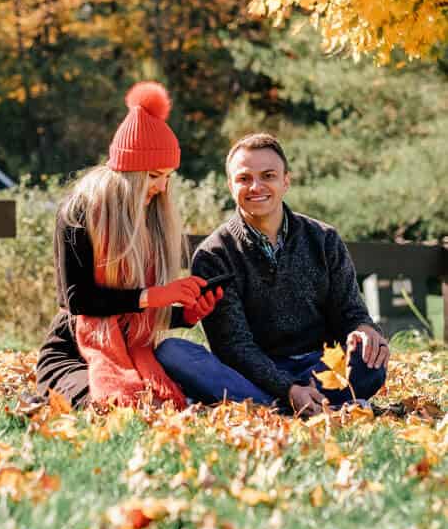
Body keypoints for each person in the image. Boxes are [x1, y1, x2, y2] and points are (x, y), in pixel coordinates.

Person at [155, 133, 389, 416]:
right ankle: (301, 404)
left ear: (285, 181)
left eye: (268, 175)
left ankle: (270, 406)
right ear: (230, 186)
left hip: (320, 365)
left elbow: (350, 312)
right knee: (172, 352)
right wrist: (289, 388)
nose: (256, 187)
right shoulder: (214, 255)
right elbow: (233, 347)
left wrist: (364, 330)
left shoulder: (324, 239)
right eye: (244, 179)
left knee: (369, 359)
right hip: (251, 373)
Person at [35, 82, 222, 409]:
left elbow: (136, 316)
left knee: (162, 404)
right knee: (114, 407)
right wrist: (153, 296)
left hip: (134, 352)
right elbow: (77, 299)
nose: (162, 187)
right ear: (130, 172)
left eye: (167, 176)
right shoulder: (80, 212)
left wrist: (185, 315)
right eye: (152, 175)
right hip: (72, 350)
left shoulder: (151, 218)